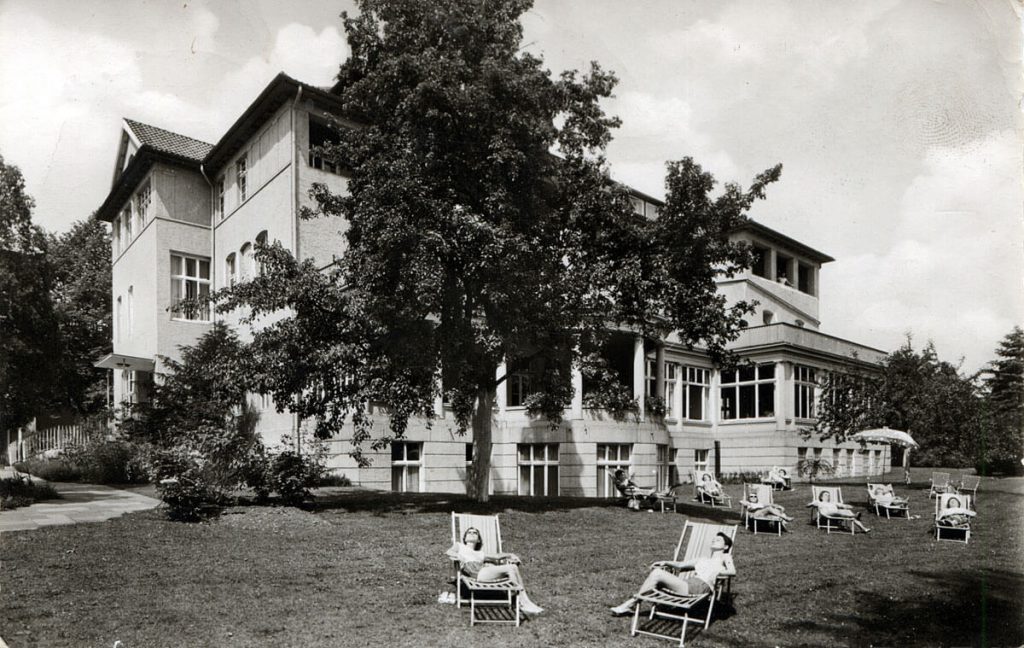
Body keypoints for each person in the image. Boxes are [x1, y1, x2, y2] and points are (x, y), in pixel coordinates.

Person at [610, 532, 735, 615]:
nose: (714, 541)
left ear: (725, 546)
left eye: (718, 540)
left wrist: (719, 572)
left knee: (657, 574)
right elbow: (680, 565)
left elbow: (732, 571)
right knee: (657, 574)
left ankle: (630, 604)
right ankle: (631, 604)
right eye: (713, 539)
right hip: (688, 584)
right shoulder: (702, 559)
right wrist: (665, 562)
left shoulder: (725, 557)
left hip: (700, 587)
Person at [447, 527, 544, 616]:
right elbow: (449, 552)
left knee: (513, 567)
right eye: (469, 532)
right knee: (511, 567)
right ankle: (522, 602)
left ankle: (523, 601)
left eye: (475, 533)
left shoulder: (480, 553)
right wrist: (458, 556)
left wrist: (510, 554)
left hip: (482, 571)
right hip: (474, 572)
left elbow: (497, 556)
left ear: (478, 539)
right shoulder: (459, 546)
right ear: (465, 538)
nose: (472, 534)